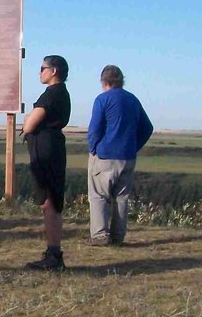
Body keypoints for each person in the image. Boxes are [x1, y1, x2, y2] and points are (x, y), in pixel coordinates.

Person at [86, 65, 153, 246]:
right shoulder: (133, 100)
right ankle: (117, 237)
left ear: (104, 81)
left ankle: (100, 236)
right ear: (122, 80)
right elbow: (148, 128)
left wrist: (93, 148)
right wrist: (134, 146)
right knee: (121, 197)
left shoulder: (102, 99)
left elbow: (94, 129)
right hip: (127, 156)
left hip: (105, 155)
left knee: (99, 195)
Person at [22, 55, 71, 271]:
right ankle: (54, 253)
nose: (39, 72)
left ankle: (53, 255)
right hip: (52, 148)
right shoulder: (62, 93)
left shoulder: (53, 93)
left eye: (42, 68)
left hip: (46, 151)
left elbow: (30, 124)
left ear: (54, 71)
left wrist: (27, 122)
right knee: (52, 199)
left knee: (48, 200)